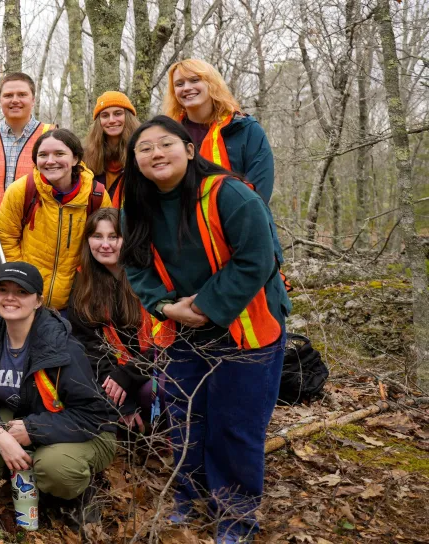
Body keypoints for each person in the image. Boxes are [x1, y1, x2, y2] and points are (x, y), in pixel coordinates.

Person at [121, 116, 290, 544]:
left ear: (190, 150)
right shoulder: (136, 204)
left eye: (165, 144)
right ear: (135, 160)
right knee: (186, 419)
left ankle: (235, 519)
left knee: (235, 426)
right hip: (182, 329)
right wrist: (164, 306)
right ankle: (188, 498)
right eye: (145, 148)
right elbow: (136, 267)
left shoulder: (230, 194)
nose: (156, 153)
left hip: (247, 329)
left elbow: (258, 258)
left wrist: (205, 306)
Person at [0, 262, 115, 528]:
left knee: (54, 467)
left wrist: (33, 430)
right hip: (22, 420)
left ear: (38, 300)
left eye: (21, 292)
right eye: (2, 289)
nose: (10, 298)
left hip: (89, 431)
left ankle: (78, 492)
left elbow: (93, 414)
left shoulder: (60, 346)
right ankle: (26, 485)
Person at [67, 208, 164, 439]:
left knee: (155, 390)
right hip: (114, 375)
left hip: (155, 367)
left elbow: (170, 342)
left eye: (114, 236)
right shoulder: (83, 282)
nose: (105, 244)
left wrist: (129, 375)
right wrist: (121, 400)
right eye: (97, 236)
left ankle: (166, 437)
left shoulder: (151, 277)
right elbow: (89, 348)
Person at [0, 73, 55, 323]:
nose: (14, 100)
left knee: (30, 305)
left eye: (21, 95)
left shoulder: (51, 136)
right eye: (8, 95)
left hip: (34, 237)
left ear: (33, 99)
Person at [0, 128, 110, 312]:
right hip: (27, 298)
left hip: (77, 301)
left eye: (59, 154)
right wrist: (24, 279)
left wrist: (85, 285)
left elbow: (105, 242)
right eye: (43, 155)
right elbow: (6, 236)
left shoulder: (96, 195)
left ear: (75, 159)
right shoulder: (22, 190)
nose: (50, 161)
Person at [162, 58, 274, 204]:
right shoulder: (167, 134)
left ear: (211, 84)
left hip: (239, 220)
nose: (186, 88)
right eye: (179, 84)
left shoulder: (245, 129)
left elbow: (260, 187)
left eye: (195, 80)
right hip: (181, 223)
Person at [83, 91, 140, 208]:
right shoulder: (86, 156)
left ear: (128, 117)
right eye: (105, 115)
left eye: (118, 113)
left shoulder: (142, 152)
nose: (112, 120)